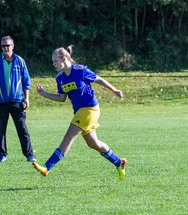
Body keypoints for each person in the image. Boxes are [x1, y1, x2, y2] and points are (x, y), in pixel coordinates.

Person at [33, 45, 127, 181]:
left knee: (68, 137)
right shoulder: (60, 78)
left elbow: (98, 79)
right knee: (93, 143)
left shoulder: (81, 70)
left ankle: (47, 167)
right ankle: (119, 163)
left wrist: (114, 90)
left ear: (63, 58)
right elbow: (62, 98)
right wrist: (43, 93)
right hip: (80, 112)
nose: (53, 64)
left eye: (55, 61)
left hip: (90, 109)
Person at [0, 36, 36, 163]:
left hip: (17, 101)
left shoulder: (20, 61)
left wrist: (27, 98)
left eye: (8, 45)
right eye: (3, 46)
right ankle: (2, 154)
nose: (5, 48)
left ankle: (29, 154)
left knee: (22, 129)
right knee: (0, 129)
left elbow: (26, 82)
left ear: (13, 46)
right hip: (1, 102)